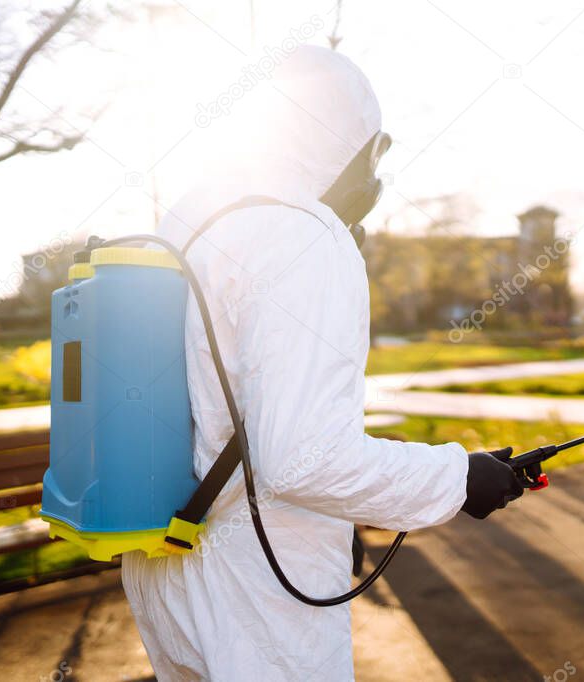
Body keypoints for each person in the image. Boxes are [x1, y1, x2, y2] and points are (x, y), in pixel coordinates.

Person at [120, 45, 523, 680]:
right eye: (376, 150)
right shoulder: (305, 235)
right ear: (339, 140)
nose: (377, 174)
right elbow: (303, 459)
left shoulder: (194, 215)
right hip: (255, 590)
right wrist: (458, 479)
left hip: (167, 566)